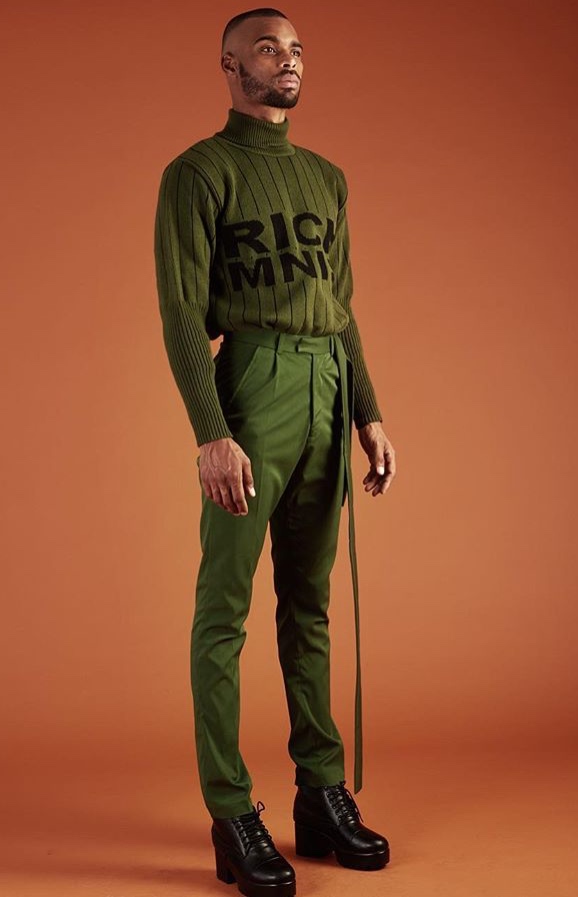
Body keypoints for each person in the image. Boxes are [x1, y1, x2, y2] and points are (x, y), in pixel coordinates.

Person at [154, 8, 396, 895]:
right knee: (225, 606)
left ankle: (321, 793)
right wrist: (211, 430)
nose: (287, 61)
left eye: (296, 50)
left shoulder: (327, 178)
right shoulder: (198, 172)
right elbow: (182, 310)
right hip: (253, 380)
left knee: (310, 603)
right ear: (230, 65)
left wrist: (369, 411)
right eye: (268, 48)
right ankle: (231, 809)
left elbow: (341, 303)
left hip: (329, 380)